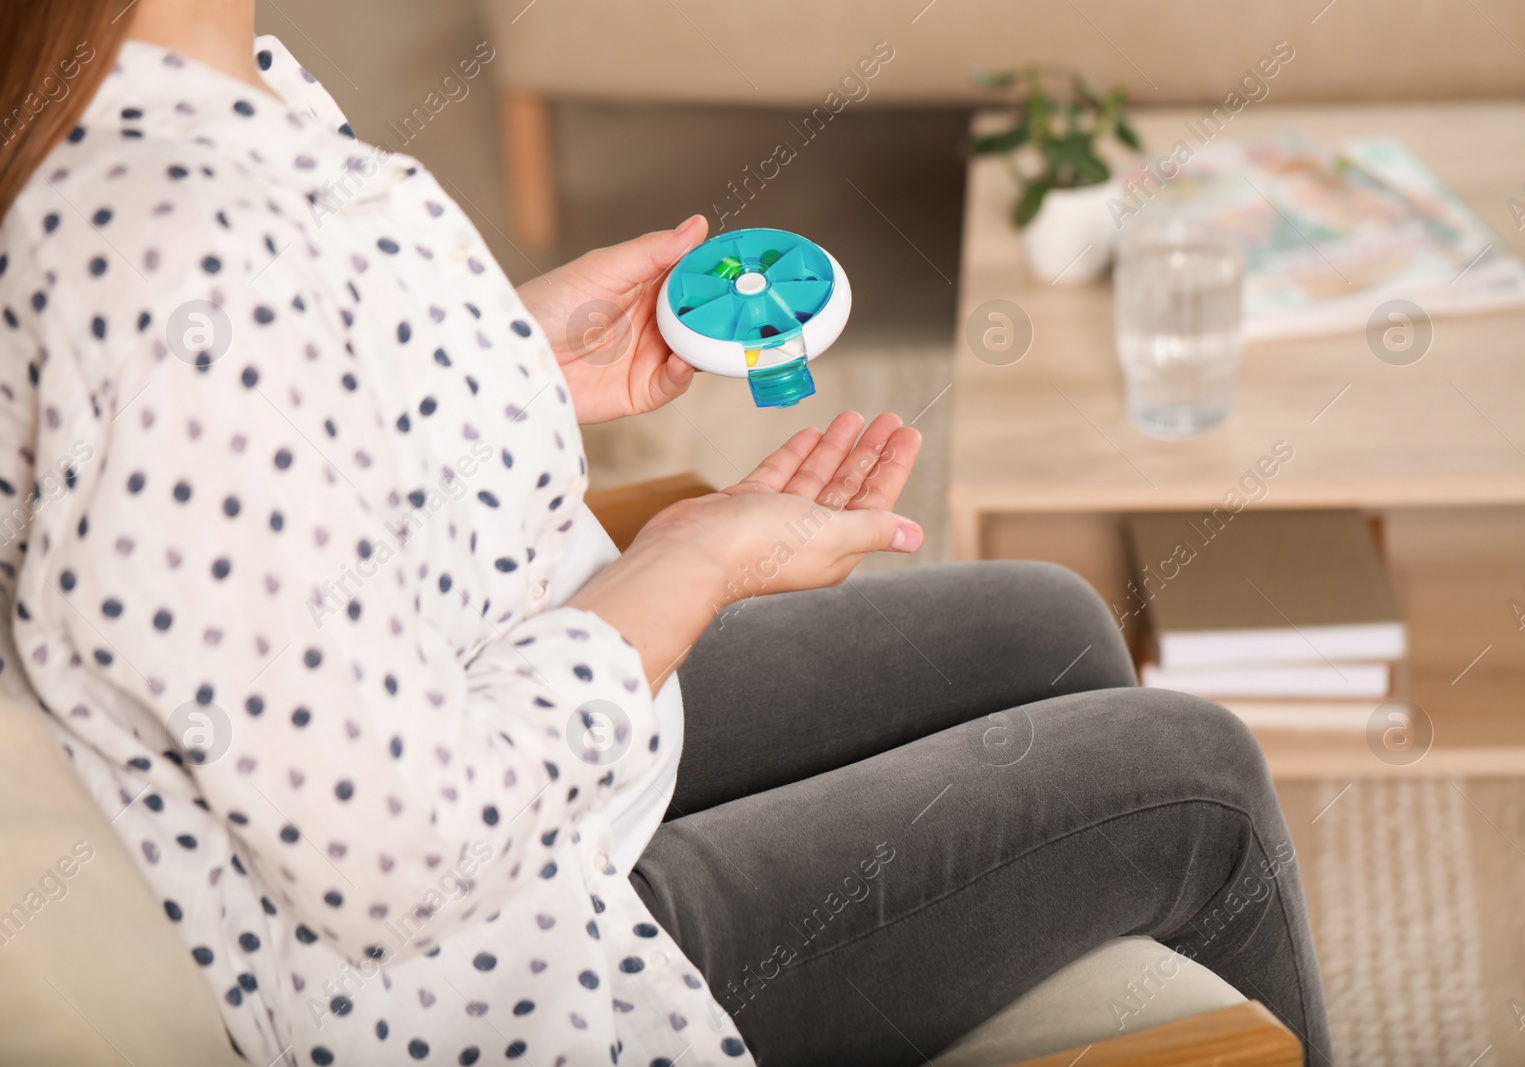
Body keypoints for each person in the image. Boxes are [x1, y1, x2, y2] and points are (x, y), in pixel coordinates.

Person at [0, 2, 1332, 1065]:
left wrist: (503, 361)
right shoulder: (174, 258)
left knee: (1044, 625)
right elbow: (405, 861)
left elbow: (263, 510)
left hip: (495, 715)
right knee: (1191, 779)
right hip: (508, 970)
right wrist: (689, 564)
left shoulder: (200, 108)